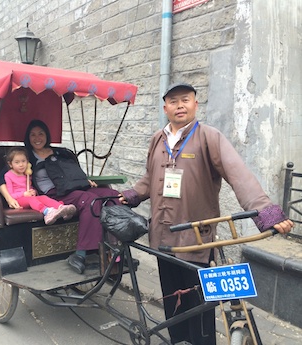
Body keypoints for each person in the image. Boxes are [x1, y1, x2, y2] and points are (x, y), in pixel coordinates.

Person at [119, 82, 294, 345]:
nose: (180, 105)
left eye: (186, 100)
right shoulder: (158, 138)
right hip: (162, 237)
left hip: (196, 239)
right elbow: (150, 176)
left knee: (198, 301)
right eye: (174, 101)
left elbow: (238, 174)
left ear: (195, 104)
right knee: (171, 296)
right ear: (165, 107)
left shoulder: (208, 136)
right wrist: (132, 194)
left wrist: (264, 210)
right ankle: (177, 340)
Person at [0, 119, 121, 274]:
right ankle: (81, 253)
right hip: (54, 194)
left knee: (111, 195)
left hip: (75, 187)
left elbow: (73, 170)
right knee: (89, 201)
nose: (37, 138)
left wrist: (84, 179)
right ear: (28, 138)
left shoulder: (61, 152)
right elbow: (1, 178)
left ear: (47, 135)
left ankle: (114, 246)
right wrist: (9, 198)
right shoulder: (25, 156)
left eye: (41, 133)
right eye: (33, 135)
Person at [4, 147, 76, 225]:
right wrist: (24, 194)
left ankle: (61, 208)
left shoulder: (27, 174)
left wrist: (33, 191)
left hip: (30, 197)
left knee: (43, 197)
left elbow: (30, 187)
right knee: (31, 199)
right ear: (10, 164)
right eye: (17, 162)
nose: (21, 165)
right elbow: (11, 195)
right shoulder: (8, 175)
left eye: (23, 161)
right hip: (19, 200)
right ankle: (47, 211)